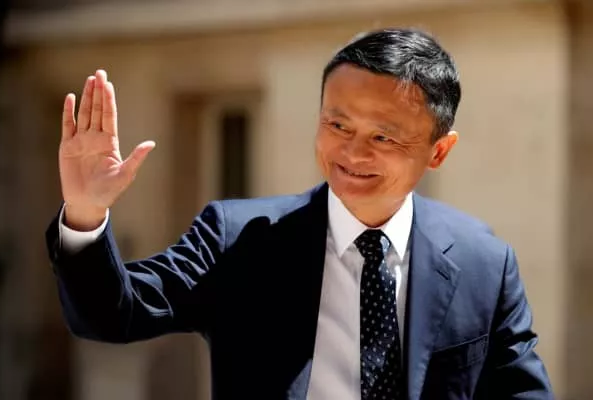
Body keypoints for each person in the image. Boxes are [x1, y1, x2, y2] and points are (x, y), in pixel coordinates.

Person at [45, 28, 554, 400]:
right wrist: (86, 214)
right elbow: (111, 316)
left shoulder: (484, 264)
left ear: (438, 151)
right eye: (337, 125)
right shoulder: (238, 239)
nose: (352, 153)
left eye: (383, 136)